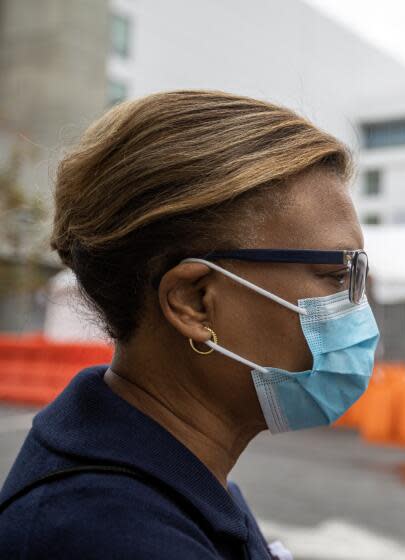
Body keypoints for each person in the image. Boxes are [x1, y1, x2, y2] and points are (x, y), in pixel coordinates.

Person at [0, 90, 379, 559]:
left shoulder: (180, 480)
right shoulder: (105, 536)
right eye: (335, 275)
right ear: (194, 302)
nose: (356, 306)